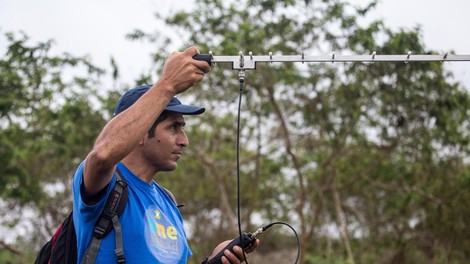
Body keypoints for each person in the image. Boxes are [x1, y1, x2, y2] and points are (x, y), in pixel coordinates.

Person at [72, 46, 259, 263]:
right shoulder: (105, 185)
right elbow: (102, 155)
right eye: (173, 128)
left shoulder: (167, 201)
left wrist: (214, 260)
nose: (184, 140)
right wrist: (168, 84)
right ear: (140, 132)